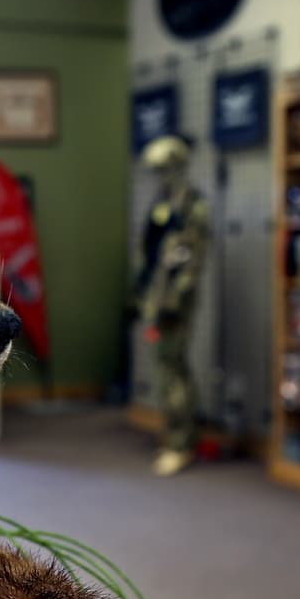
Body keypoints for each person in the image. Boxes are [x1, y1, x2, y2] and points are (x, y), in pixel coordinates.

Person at [134, 135, 210, 476]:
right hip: (156, 296)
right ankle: (174, 434)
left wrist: (174, 300)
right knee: (164, 368)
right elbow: (150, 255)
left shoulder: (192, 207)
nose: (161, 176)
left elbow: (191, 262)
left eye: (165, 169)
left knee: (173, 368)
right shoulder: (162, 203)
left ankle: (182, 442)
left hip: (174, 301)